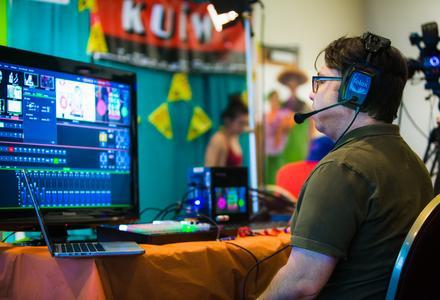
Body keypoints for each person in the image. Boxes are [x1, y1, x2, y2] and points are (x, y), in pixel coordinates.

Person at [258, 33, 433, 299]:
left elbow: (301, 285)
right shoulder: (414, 163)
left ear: (355, 90)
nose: (311, 93)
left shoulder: (343, 167)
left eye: (320, 81)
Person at [205, 94, 248, 167]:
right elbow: (208, 168)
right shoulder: (217, 139)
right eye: (241, 123)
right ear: (228, 120)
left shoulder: (235, 138)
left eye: (245, 124)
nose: (243, 128)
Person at [265, 90, 294, 183]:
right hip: (267, 150)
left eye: (276, 99)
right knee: (269, 173)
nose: (274, 101)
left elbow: (289, 125)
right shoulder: (266, 115)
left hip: (281, 149)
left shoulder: (285, 113)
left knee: (280, 172)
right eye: (272, 99)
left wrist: (280, 128)